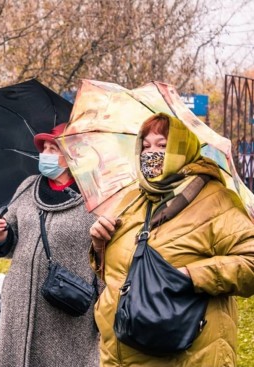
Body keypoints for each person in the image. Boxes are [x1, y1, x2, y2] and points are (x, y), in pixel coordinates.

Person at [90, 112, 254, 366]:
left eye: (163, 145)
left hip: (186, 353)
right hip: (121, 350)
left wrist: (191, 275)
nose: (151, 153)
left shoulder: (215, 200)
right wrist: (101, 245)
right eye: (145, 146)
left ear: (183, 148)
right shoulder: (134, 198)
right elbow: (123, 274)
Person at [0, 123, 99, 367]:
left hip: (67, 310)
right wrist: (0, 234)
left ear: (72, 155)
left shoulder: (94, 198)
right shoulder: (27, 187)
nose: (45, 154)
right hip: (19, 302)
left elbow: (103, 258)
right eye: (44, 148)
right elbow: (12, 234)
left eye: (53, 148)